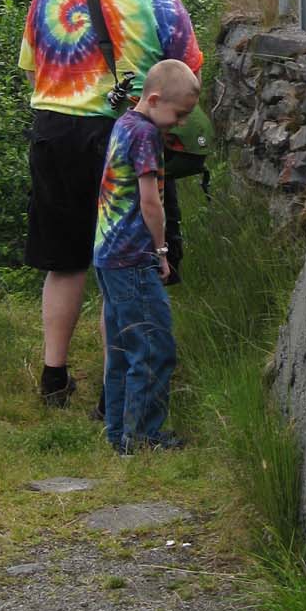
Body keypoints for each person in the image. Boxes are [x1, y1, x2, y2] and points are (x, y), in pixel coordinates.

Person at [19, 0, 202, 407]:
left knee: (64, 261)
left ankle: (54, 379)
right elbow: (186, 77)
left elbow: (32, 67)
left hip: (53, 131)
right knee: (121, 263)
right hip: (123, 136)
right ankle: (112, 389)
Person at [93, 60, 201, 452]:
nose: (180, 123)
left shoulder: (124, 123)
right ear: (154, 100)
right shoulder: (147, 135)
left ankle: (118, 434)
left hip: (107, 254)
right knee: (154, 348)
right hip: (134, 256)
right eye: (179, 114)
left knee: (122, 350)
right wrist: (161, 251)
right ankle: (142, 437)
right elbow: (150, 201)